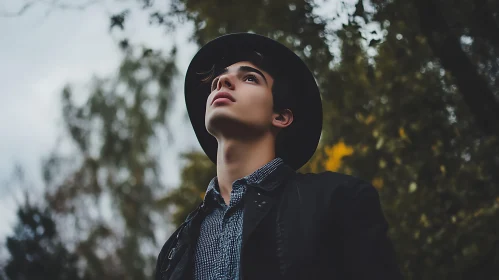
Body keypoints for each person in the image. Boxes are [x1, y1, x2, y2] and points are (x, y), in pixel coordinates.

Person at [155, 33, 402, 280]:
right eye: (216, 81)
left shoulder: (339, 200)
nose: (222, 81)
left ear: (281, 117)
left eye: (250, 78)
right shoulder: (175, 249)